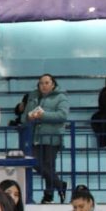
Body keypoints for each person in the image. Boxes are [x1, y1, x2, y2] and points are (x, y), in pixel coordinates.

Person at [25, 74, 69, 204]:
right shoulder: (33, 96)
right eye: (41, 83)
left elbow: (63, 115)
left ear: (53, 84)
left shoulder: (61, 97)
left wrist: (43, 115)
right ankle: (60, 184)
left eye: (46, 83)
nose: (43, 85)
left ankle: (48, 195)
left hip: (52, 137)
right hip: (35, 136)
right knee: (36, 163)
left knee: (49, 166)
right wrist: (29, 117)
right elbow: (25, 116)